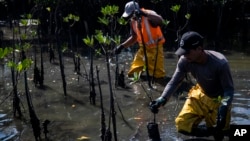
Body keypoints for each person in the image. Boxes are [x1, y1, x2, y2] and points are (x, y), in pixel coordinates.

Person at [149, 31, 234, 141]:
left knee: (221, 133)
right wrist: (162, 99)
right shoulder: (185, 61)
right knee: (182, 125)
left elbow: (229, 89)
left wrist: (224, 107)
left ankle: (219, 130)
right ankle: (209, 130)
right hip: (200, 94)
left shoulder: (220, 63)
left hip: (219, 100)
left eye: (187, 52)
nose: (184, 55)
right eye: (183, 52)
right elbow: (174, 82)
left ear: (199, 49)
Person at [113, 1, 166, 79]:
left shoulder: (148, 13)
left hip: (156, 49)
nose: (131, 17)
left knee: (158, 76)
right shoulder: (132, 21)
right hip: (143, 49)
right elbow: (134, 37)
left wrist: (143, 14)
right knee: (133, 73)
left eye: (131, 14)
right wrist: (121, 46)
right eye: (129, 15)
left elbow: (160, 21)